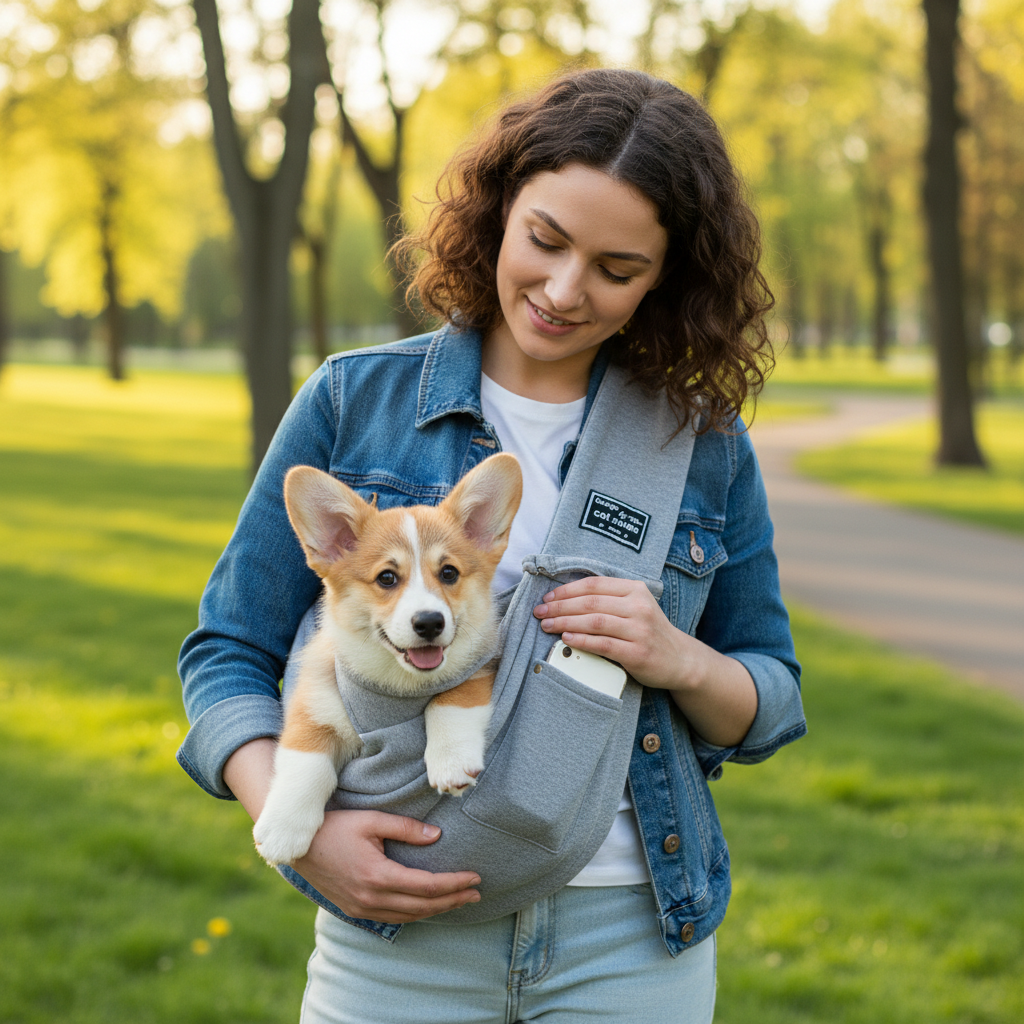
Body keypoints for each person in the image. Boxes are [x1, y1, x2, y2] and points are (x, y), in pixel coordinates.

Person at [177, 68, 806, 1023]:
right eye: (545, 241)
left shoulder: (699, 444)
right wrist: (302, 831)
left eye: (616, 269)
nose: (562, 291)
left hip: (629, 934)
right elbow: (228, 648)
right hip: (399, 932)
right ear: (500, 211)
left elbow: (768, 699)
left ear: (666, 277)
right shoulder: (355, 402)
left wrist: (675, 656)